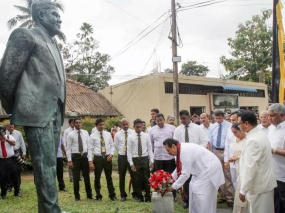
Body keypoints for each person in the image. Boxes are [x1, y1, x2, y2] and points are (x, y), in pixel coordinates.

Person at [0, 1, 66, 211]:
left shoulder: (53, 43)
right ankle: (50, 210)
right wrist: (19, 108)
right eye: (54, 14)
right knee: (44, 164)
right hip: (36, 111)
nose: (59, 18)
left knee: (49, 165)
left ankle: (49, 208)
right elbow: (6, 76)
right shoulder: (25, 35)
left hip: (55, 110)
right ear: (39, 15)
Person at [164, 139, 225, 213]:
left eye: (168, 150)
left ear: (173, 146)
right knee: (193, 189)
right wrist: (168, 179)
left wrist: (173, 187)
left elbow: (185, 174)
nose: (168, 153)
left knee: (201, 196)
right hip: (200, 171)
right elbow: (179, 169)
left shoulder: (184, 151)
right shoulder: (180, 150)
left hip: (209, 170)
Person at [238, 110, 276, 213]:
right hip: (263, 185)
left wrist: (243, 190)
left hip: (259, 187)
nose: (238, 126)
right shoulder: (259, 134)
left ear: (246, 123)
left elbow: (250, 167)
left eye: (239, 123)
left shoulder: (253, 140)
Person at [173, 110, 208, 209]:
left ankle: (197, 199)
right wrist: (177, 158)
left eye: (184, 118)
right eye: (181, 119)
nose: (182, 121)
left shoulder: (198, 128)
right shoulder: (178, 130)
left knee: (197, 179)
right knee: (186, 178)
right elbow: (175, 145)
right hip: (184, 158)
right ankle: (187, 200)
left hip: (197, 158)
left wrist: (198, 152)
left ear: (189, 117)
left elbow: (204, 141)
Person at [209, 110, 234, 207]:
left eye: (219, 118)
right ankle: (222, 195)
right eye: (216, 118)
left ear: (223, 117)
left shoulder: (229, 126)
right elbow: (211, 141)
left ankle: (230, 197)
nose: (217, 120)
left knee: (227, 174)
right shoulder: (213, 126)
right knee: (218, 173)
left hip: (226, 151)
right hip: (216, 151)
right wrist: (211, 154)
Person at [149, 114, 176, 201]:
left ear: (164, 119)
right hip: (158, 158)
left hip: (169, 157)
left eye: (161, 120)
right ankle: (159, 193)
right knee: (158, 177)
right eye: (157, 121)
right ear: (155, 121)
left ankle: (172, 195)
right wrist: (152, 158)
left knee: (171, 177)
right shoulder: (152, 130)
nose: (159, 122)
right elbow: (151, 144)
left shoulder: (172, 128)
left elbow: (175, 143)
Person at [88, 118, 117, 201]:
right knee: (97, 177)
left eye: (103, 125)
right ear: (96, 125)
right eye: (100, 125)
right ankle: (98, 195)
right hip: (98, 158)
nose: (102, 126)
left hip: (107, 158)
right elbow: (90, 149)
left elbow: (112, 145)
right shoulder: (92, 136)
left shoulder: (108, 134)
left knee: (109, 177)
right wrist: (90, 161)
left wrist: (111, 154)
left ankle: (112, 195)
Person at [66, 117, 93, 201]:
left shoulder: (85, 133)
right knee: (76, 178)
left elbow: (89, 146)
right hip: (75, 157)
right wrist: (69, 160)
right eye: (76, 122)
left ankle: (89, 195)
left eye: (80, 122)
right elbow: (68, 148)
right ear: (73, 124)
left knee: (86, 177)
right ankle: (77, 197)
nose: (78, 124)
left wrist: (90, 159)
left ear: (82, 123)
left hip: (84, 156)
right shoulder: (70, 135)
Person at [127, 119, 154, 202]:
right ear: (133, 127)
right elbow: (129, 151)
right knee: (137, 179)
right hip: (136, 160)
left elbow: (150, 149)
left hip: (144, 159)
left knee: (146, 179)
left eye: (140, 127)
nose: (139, 128)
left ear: (143, 126)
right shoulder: (130, 137)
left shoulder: (146, 136)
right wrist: (131, 163)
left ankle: (148, 196)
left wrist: (151, 161)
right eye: (137, 127)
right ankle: (139, 196)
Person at [267, 103, 285, 213]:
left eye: (272, 115)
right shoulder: (271, 129)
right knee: (275, 204)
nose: (269, 118)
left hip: (282, 174)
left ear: (282, 115)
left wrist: (273, 150)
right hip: (271, 172)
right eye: (269, 115)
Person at [114, 118, 136, 201]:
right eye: (124, 125)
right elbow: (116, 145)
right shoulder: (118, 134)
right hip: (122, 156)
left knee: (134, 175)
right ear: (121, 125)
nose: (125, 126)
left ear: (129, 124)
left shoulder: (132, 132)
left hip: (131, 156)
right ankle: (123, 195)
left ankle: (135, 193)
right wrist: (122, 151)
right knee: (122, 176)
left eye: (127, 124)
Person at [228, 123, 248, 213]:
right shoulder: (235, 139)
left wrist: (238, 157)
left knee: (244, 186)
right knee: (238, 185)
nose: (234, 134)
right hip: (237, 166)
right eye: (233, 132)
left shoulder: (248, 140)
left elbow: (248, 155)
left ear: (241, 130)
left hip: (246, 167)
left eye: (236, 132)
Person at [0, 127, 20, 199]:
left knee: (15, 176)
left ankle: (17, 192)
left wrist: (6, 139)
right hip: (1, 161)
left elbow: (14, 143)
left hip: (11, 160)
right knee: (2, 177)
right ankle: (3, 194)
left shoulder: (9, 136)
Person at [6, 123, 26, 189]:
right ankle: (9, 186)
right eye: (10, 127)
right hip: (8, 153)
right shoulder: (4, 134)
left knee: (17, 169)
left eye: (12, 127)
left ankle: (18, 186)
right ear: (7, 127)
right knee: (8, 170)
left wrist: (24, 152)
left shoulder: (18, 133)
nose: (11, 128)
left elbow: (22, 143)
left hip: (17, 152)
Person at [224, 111, 239, 190]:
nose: (232, 122)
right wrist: (226, 160)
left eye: (234, 120)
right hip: (231, 159)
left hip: (241, 159)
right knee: (234, 180)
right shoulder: (229, 129)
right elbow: (227, 145)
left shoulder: (244, 129)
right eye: (231, 120)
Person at [63, 118, 75, 182]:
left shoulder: (77, 130)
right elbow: (64, 141)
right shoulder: (67, 131)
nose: (73, 124)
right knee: (70, 163)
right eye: (72, 123)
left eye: (74, 123)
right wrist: (65, 150)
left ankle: (79, 177)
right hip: (69, 149)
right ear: (69, 124)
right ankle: (71, 177)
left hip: (76, 150)